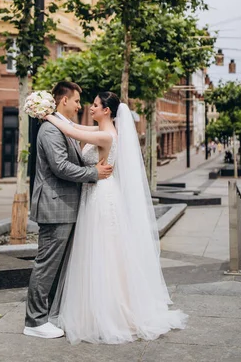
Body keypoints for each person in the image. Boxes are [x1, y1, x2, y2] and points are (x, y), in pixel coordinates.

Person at [46, 91, 187, 344]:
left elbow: (72, 132)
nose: (90, 107)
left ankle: (114, 313)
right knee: (97, 252)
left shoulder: (105, 135)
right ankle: (96, 310)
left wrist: (46, 115)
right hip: (94, 192)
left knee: (104, 252)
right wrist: (56, 115)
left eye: (96, 105)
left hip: (101, 195)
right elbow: (74, 125)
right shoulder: (100, 130)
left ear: (107, 111)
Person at [24, 81, 114, 339]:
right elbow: (61, 167)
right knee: (46, 264)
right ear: (64, 100)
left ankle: (49, 316)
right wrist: (93, 173)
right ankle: (34, 321)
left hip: (65, 205)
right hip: (54, 205)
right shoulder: (51, 131)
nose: (79, 106)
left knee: (58, 265)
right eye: (76, 100)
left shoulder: (64, 127)